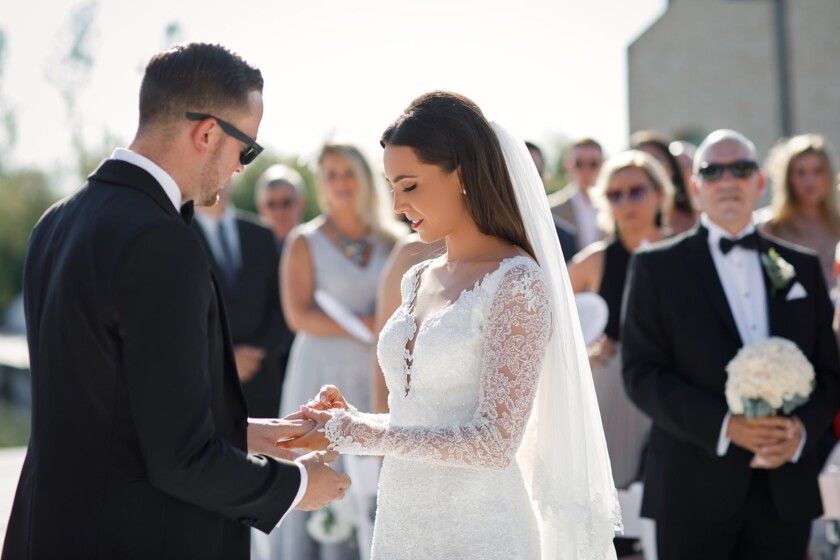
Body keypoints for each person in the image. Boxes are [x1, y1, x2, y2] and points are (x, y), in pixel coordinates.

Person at [0, 43, 350, 560]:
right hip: (137, 537)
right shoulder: (159, 241)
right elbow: (180, 460)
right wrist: (298, 487)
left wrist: (254, 434)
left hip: (48, 529)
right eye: (246, 149)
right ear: (207, 133)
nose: (240, 169)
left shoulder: (56, 221)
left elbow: (113, 407)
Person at [279, 91, 620, 560]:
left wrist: (361, 434)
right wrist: (349, 422)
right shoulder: (417, 278)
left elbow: (494, 442)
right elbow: (423, 420)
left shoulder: (516, 280)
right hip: (401, 524)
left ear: (461, 174)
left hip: (483, 532)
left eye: (410, 185)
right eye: (391, 186)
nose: (397, 204)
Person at [622, 129, 840, 560]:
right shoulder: (655, 268)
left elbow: (830, 375)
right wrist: (726, 426)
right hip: (692, 492)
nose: (728, 179)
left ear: (759, 183)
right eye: (712, 170)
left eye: (740, 168)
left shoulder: (802, 267)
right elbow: (641, 373)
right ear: (696, 187)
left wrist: (797, 434)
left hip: (784, 492)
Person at [272, 143, 403, 560]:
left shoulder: (392, 239)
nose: (340, 182)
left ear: (364, 178)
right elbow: (298, 313)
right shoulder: (304, 240)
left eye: (348, 172)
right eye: (331, 173)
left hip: (375, 375)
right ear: (321, 183)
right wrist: (366, 323)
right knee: (321, 461)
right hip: (321, 371)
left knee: (374, 470)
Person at [569, 150, 670, 490]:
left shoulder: (684, 253)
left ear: (660, 194)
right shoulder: (596, 261)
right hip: (615, 391)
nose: (627, 201)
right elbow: (540, 321)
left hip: (674, 388)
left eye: (637, 191)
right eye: (616, 193)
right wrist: (583, 355)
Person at [193, 187, 287, 418]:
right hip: (204, 390)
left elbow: (282, 308)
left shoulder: (262, 234)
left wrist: (253, 355)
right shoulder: (176, 234)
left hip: (263, 387)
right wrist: (224, 359)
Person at [758, 133, 840, 292]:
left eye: (818, 171)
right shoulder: (770, 227)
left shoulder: (837, 224)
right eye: (800, 172)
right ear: (788, 178)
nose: (810, 181)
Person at [631, 130, 698, 234]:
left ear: (671, 167)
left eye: (654, 160)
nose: (646, 170)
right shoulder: (628, 226)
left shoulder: (700, 219)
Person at [547, 137, 607, 250]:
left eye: (593, 164)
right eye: (579, 164)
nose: (586, 170)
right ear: (568, 165)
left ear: (602, 165)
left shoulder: (615, 205)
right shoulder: (550, 209)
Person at [526, 140, 578, 260]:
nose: (527, 182)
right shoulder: (483, 235)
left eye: (535, 174)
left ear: (544, 179)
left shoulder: (564, 239)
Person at [255, 162, 308, 253]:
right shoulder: (251, 251)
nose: (279, 211)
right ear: (261, 208)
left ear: (301, 203)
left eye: (286, 203)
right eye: (271, 204)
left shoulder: (317, 244)